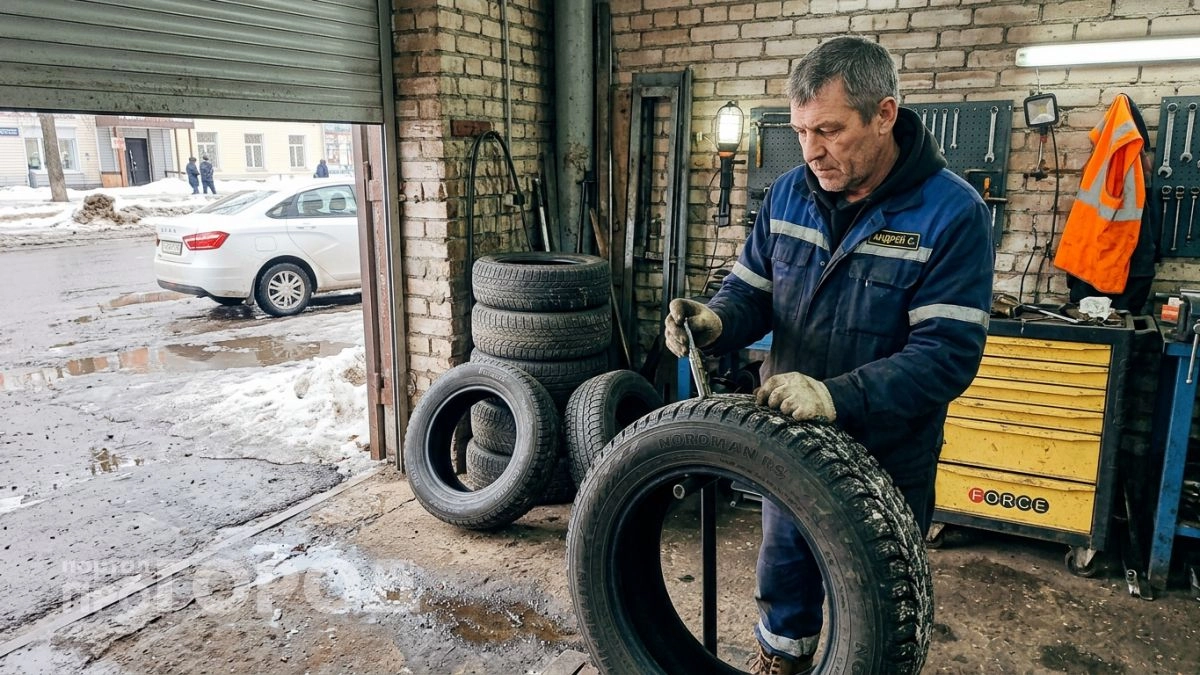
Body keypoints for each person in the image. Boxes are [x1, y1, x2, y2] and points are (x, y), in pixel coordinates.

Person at [663, 36, 994, 674]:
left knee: (871, 598)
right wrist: (713, 321)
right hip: (790, 441)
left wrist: (835, 396)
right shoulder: (790, 193)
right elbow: (751, 294)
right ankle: (782, 660)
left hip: (887, 453)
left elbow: (946, 354)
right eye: (801, 130)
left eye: (830, 131)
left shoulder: (953, 214)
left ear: (885, 115)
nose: (811, 150)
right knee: (784, 572)